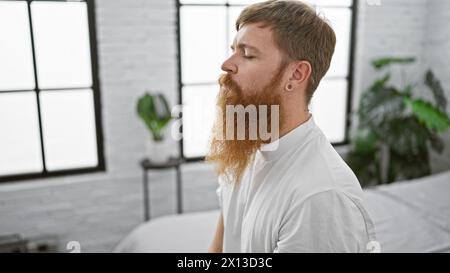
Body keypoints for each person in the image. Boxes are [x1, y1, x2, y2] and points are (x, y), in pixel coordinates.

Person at [206, 0, 378, 253]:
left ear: (296, 75)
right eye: (233, 49)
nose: (227, 64)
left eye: (248, 54)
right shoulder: (245, 146)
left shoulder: (321, 197)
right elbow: (225, 239)